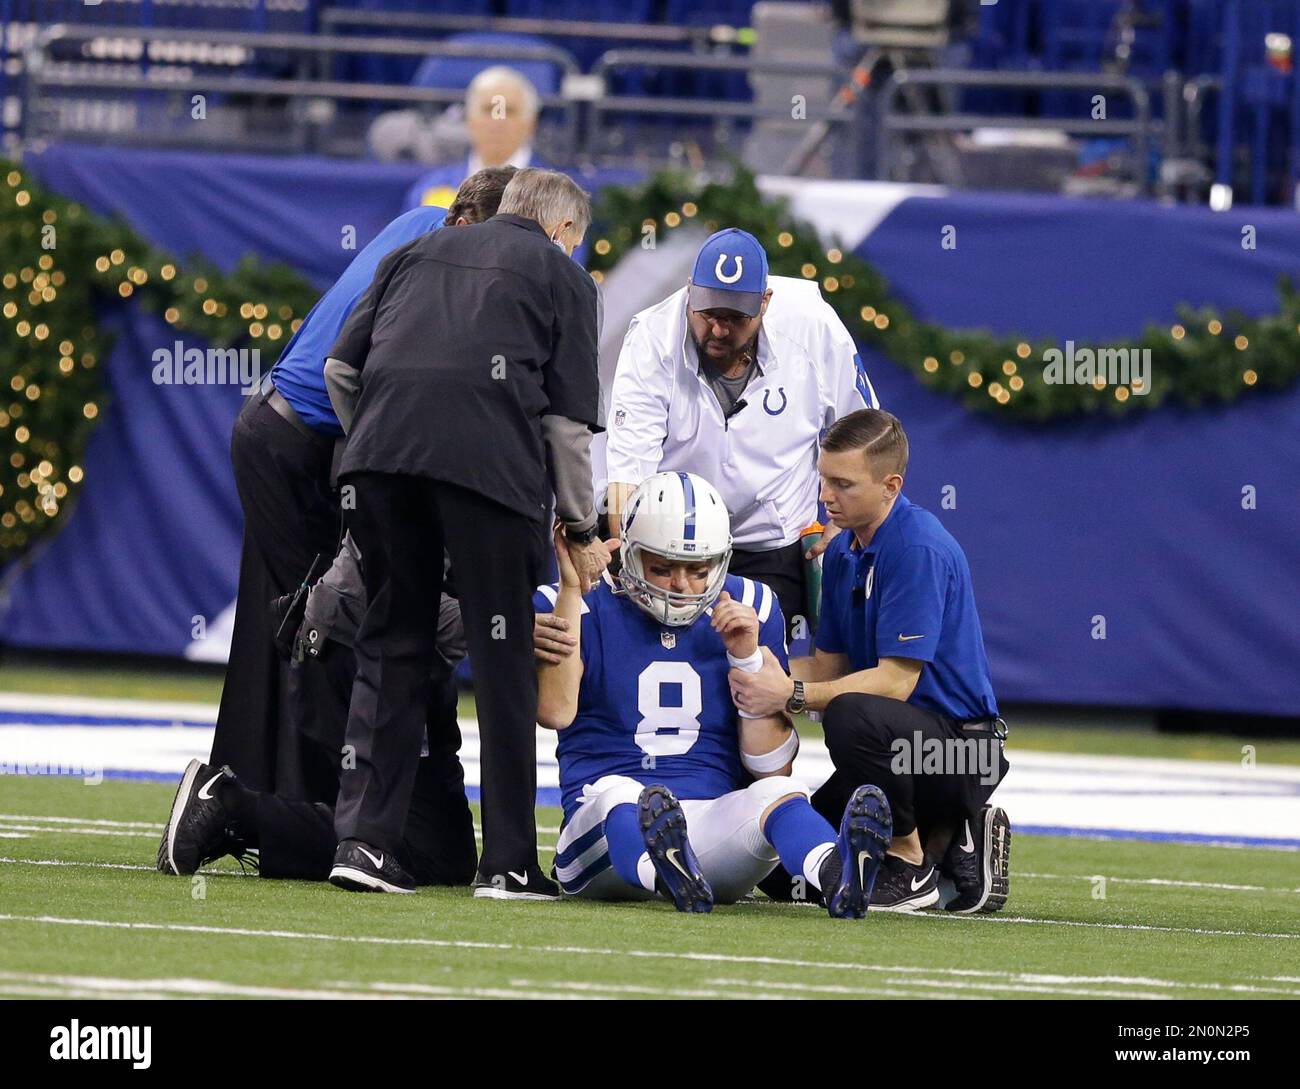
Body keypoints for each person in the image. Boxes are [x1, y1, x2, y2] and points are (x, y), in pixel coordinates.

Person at [322, 168, 612, 899]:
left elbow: (340, 368)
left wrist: (386, 443)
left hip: (381, 464)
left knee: (391, 645)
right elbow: (566, 428)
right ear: (564, 231)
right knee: (503, 658)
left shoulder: (414, 251)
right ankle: (508, 861)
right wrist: (579, 524)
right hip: (491, 475)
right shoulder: (565, 278)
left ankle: (363, 844)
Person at [209, 167, 518, 799]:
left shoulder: (420, 224)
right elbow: (353, 378)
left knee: (299, 621)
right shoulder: (438, 272)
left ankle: (256, 792)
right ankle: (327, 806)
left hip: (276, 430)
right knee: (334, 623)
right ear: (468, 227)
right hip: (300, 443)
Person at [536, 470, 893, 917]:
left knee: (779, 793)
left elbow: (770, 766)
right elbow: (555, 712)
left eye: (697, 569)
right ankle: (660, 872)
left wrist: (746, 657)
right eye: (662, 567)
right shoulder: (576, 601)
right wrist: (571, 588)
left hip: (708, 826)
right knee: (618, 792)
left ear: (721, 562)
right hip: (603, 832)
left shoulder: (753, 606)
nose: (681, 585)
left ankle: (838, 876)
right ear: (627, 554)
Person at [728, 408, 1011, 913]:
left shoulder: (916, 547)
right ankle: (955, 842)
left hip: (965, 751)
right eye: (823, 480)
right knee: (783, 872)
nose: (825, 496)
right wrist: (748, 665)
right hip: (907, 745)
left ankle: (910, 861)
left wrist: (789, 694)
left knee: (850, 713)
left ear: (890, 485)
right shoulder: (843, 551)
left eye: (843, 484)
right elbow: (828, 666)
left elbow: (895, 683)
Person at [603, 228, 878, 637]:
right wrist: (630, 557)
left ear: (765, 302)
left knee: (760, 677)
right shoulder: (651, 339)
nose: (717, 330)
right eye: (708, 313)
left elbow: (863, 432)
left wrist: (846, 518)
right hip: (674, 543)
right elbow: (628, 473)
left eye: (734, 317)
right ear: (690, 291)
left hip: (771, 544)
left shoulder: (812, 326)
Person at [156, 563, 475, 890]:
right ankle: (228, 805)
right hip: (355, 651)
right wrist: (503, 630)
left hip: (397, 658)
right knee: (427, 851)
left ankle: (235, 812)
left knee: (448, 855)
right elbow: (392, 591)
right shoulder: (439, 516)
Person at [403, 67, 545, 211]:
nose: (497, 122)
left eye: (509, 111)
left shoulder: (556, 195)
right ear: (469, 118)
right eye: (488, 109)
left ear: (532, 123)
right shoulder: (430, 190)